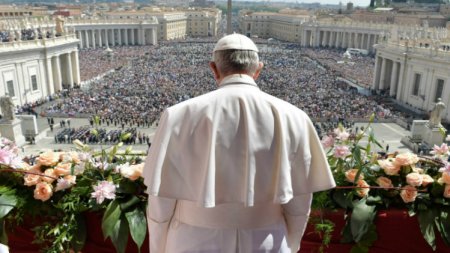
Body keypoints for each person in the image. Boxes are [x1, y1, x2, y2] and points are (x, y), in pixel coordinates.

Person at [143, 34, 336, 253]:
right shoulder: (295, 117)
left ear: (214, 69)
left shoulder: (177, 115)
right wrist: (290, 243)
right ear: (258, 70)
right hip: (268, 240)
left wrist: (158, 247)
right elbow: (299, 204)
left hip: (192, 240)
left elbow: (161, 202)